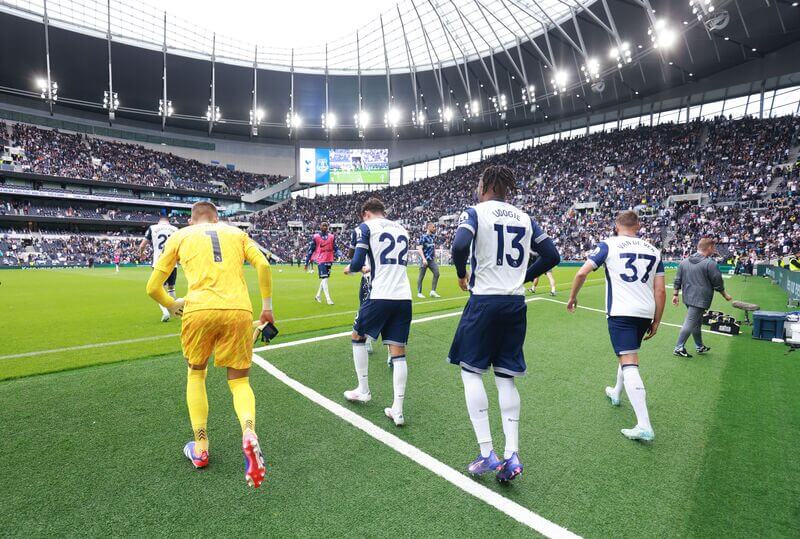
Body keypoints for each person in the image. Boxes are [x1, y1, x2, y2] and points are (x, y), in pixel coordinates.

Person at [145, 201, 274, 488]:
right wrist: (267, 307)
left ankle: (201, 448)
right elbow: (264, 264)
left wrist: (172, 304)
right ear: (217, 218)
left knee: (196, 373)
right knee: (239, 381)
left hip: (198, 310)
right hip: (239, 311)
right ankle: (249, 432)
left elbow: (152, 287)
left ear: (192, 221)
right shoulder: (235, 233)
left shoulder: (181, 235)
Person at [448, 165, 560, 482]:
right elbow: (551, 255)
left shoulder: (475, 212)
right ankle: (512, 455)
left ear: (484, 185)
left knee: (471, 372)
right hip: (515, 303)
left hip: (484, 301)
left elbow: (459, 246)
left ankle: (487, 453)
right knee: (506, 378)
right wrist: (522, 276)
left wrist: (460, 274)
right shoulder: (525, 218)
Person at [567, 210, 666, 443]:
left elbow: (582, 272)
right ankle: (616, 392)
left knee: (629, 362)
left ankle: (644, 424)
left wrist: (572, 297)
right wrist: (657, 320)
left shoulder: (609, 245)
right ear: (638, 226)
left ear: (616, 225)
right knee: (627, 354)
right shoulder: (654, 250)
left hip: (622, 312)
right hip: (645, 312)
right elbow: (660, 290)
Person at [343, 198, 413, 427]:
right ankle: (398, 410)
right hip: (404, 296)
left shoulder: (365, 227)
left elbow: (356, 262)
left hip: (380, 294)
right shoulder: (402, 229)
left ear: (365, 213)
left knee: (357, 336)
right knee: (398, 351)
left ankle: (363, 389)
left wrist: (350, 269)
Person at [672, 237, 732, 358]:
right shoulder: (710, 263)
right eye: (713, 247)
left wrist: (675, 294)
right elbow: (717, 282)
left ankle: (699, 346)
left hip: (687, 297)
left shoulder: (684, 261)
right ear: (709, 248)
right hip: (700, 299)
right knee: (690, 322)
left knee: (696, 323)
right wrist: (725, 295)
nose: (714, 250)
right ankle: (678, 347)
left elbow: (677, 279)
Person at [139, 214, 179, 322]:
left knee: (157, 288)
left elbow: (142, 245)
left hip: (159, 262)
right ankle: (176, 310)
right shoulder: (175, 229)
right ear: (168, 221)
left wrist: (141, 254)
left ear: (159, 221)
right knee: (171, 288)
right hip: (172, 262)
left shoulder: (153, 228)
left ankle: (166, 312)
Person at [348, 225, 374, 354]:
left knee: (365, 310)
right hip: (390, 283)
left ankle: (366, 341)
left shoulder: (364, 230)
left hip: (370, 279)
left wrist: (355, 267)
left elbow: (355, 258)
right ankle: (392, 352)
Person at [304, 222, 341, 305]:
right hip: (320, 259)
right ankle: (328, 299)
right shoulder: (316, 237)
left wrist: (339, 252)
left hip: (329, 258)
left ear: (327, 227)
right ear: (320, 227)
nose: (324, 227)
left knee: (325, 278)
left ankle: (317, 295)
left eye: (325, 226)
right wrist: (306, 262)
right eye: (323, 225)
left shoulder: (331, 236)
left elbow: (335, 246)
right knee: (324, 279)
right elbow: (311, 250)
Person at [416, 222, 441, 299]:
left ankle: (433, 291)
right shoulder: (423, 237)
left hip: (431, 260)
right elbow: (419, 249)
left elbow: (432, 247)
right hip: (424, 260)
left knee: (437, 273)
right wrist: (423, 259)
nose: (435, 228)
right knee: (421, 276)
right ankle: (419, 293)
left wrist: (434, 255)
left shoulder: (432, 237)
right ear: (429, 227)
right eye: (433, 227)